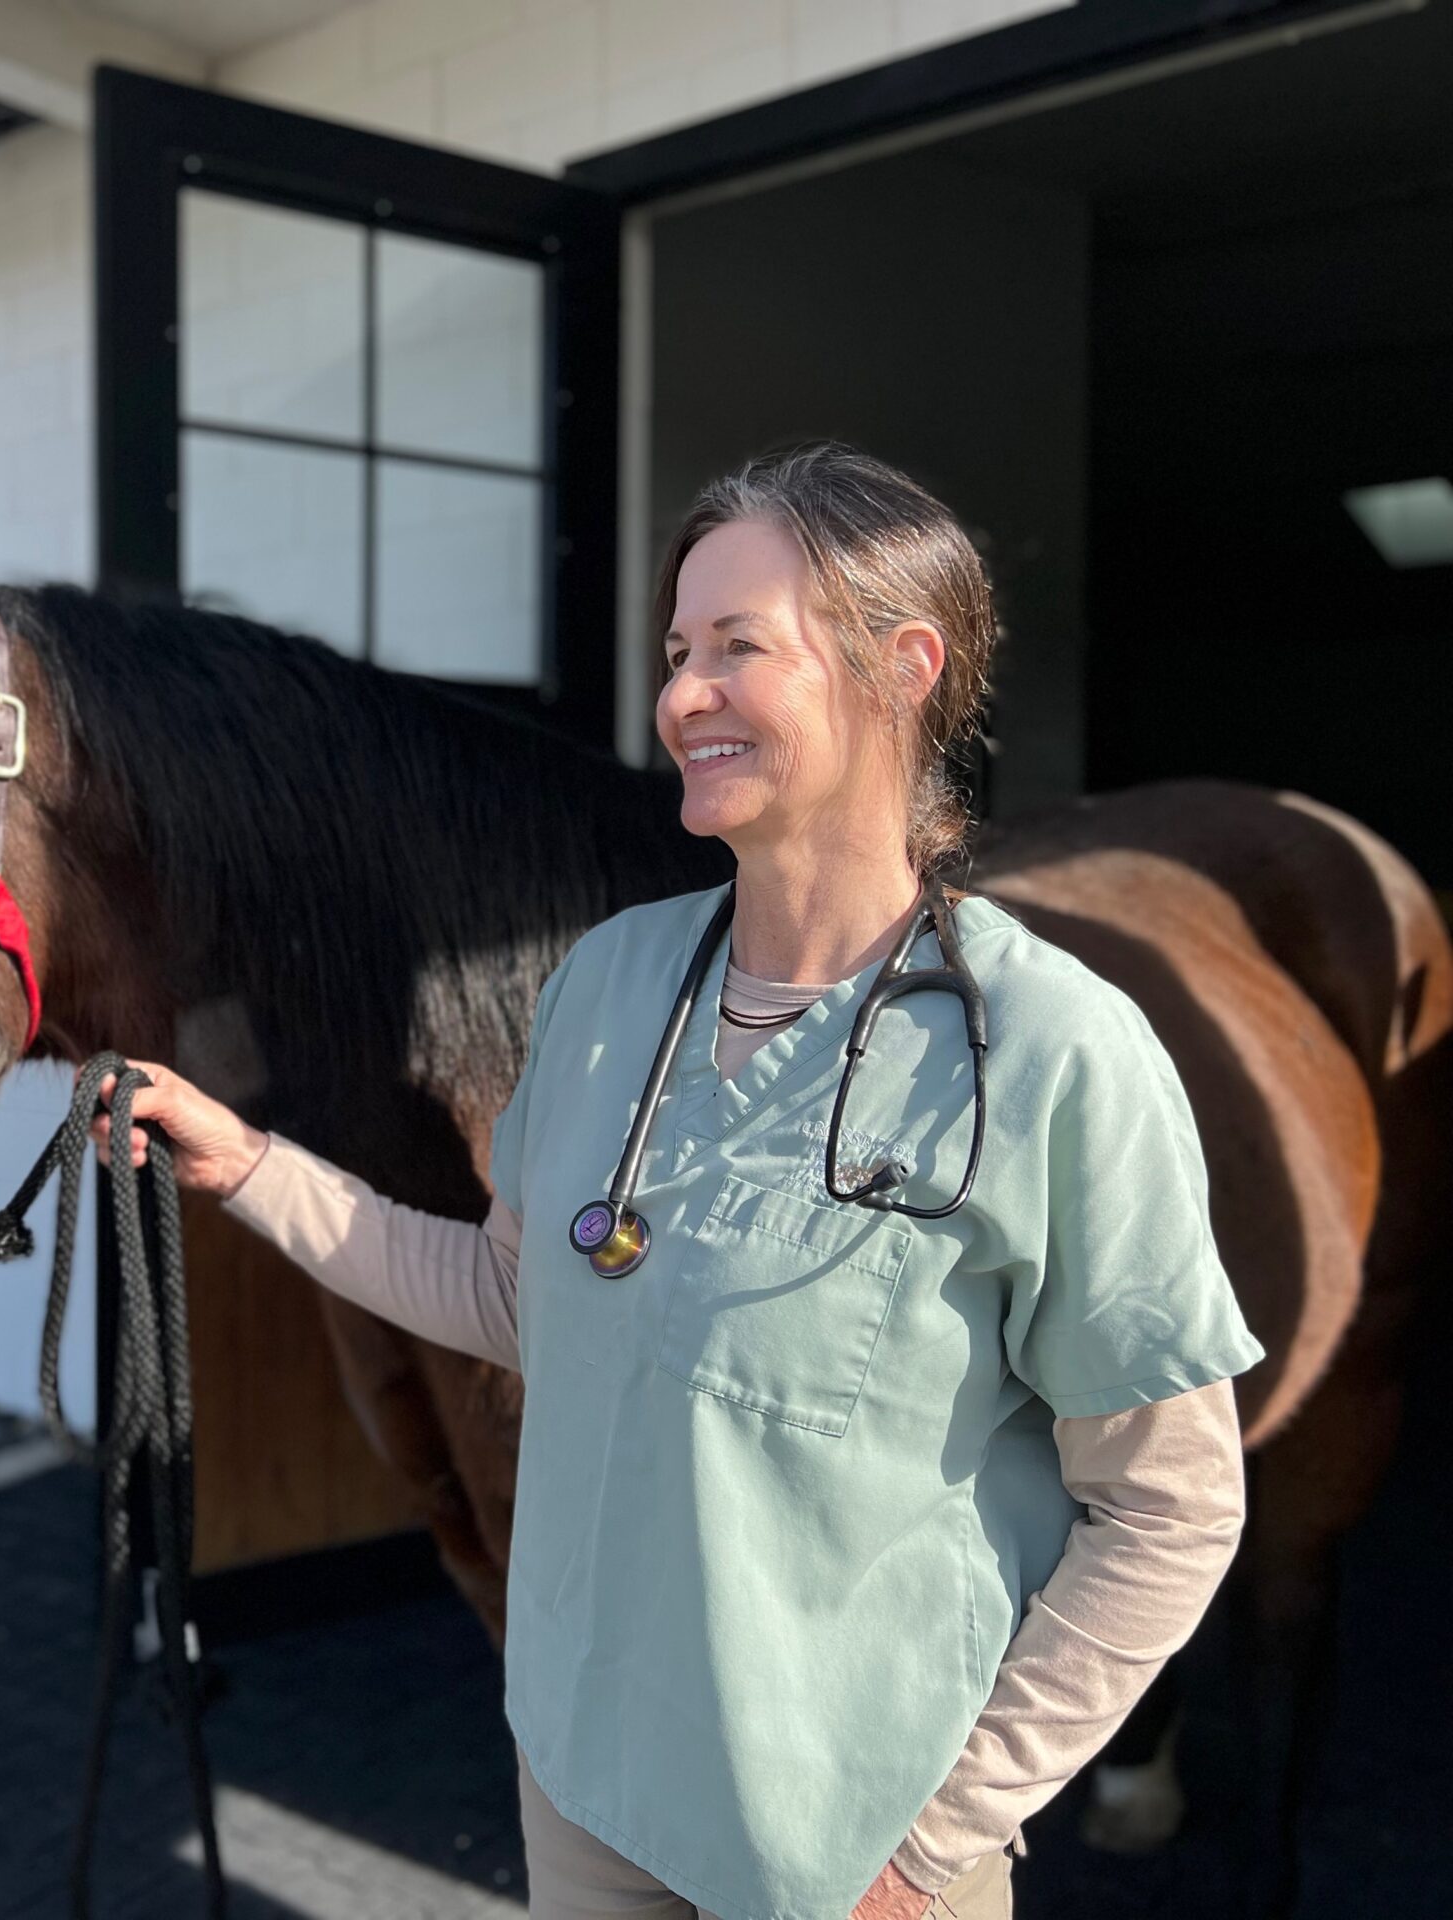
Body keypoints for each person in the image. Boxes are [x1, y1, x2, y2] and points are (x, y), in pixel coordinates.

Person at [91, 443, 1261, 1920]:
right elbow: (513, 1299)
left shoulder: (1049, 1051)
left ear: (904, 669)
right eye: (675, 653)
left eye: (737, 647)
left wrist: (930, 1849)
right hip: (585, 1788)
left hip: (849, 1845)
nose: (684, 693)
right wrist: (249, 1165)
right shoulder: (606, 985)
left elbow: (1168, 1510)